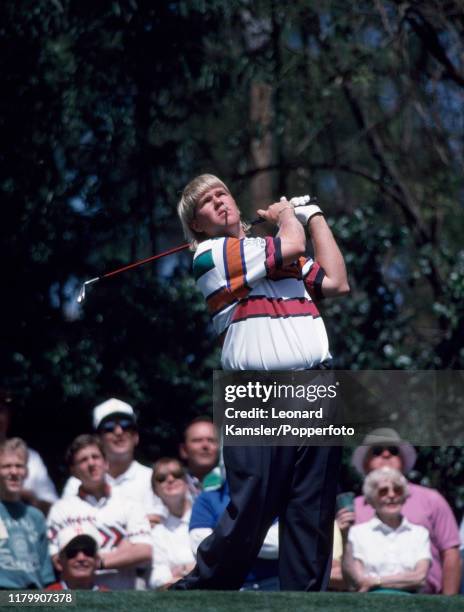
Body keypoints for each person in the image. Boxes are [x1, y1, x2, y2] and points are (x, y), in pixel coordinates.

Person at [173, 174, 349, 591]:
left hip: (314, 386)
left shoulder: (265, 251)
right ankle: (201, 589)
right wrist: (288, 215)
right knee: (252, 504)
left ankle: (303, 601)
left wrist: (314, 215)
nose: (218, 201)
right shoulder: (211, 255)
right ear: (197, 224)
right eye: (206, 202)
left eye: (222, 193)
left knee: (311, 509)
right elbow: (291, 244)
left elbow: (337, 281)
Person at [346, 428, 461, 594]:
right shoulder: (352, 507)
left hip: (426, 600)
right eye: (377, 451)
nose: (386, 455)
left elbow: (450, 553)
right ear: (365, 463)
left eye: (393, 450)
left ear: (403, 460)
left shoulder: (432, 499)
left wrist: (448, 604)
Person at [47, 434, 152, 590]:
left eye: (95, 457)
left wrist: (96, 562)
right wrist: (121, 552)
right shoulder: (60, 510)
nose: (91, 463)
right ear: (73, 470)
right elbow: (56, 558)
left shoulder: (129, 504)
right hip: (78, 599)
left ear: (106, 463)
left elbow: (144, 551)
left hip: (122, 596)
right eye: (83, 460)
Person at [62, 398, 165, 524]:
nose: (119, 432)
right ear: (98, 439)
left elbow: (161, 524)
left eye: (126, 426)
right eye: (109, 427)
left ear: (136, 437)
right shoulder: (75, 483)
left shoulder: (154, 479)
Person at [342, 467, 431, 593]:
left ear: (404, 497)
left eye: (398, 490)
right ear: (371, 500)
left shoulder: (420, 533)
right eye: (383, 491)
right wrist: (344, 536)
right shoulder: (357, 533)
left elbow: (420, 578)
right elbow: (357, 581)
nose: (391, 495)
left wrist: (375, 581)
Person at [189, 480, 279, 591]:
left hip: (274, 583)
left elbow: (278, 544)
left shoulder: (279, 495)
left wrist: (224, 537)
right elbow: (201, 546)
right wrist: (254, 538)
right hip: (228, 588)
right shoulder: (207, 499)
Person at [0, 438, 55, 589]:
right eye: (6, 466)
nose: (14, 472)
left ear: (26, 472)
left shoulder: (36, 517)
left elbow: (46, 575)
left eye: (19, 466)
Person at [0, 389, 58, 515]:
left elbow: (54, 508)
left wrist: (28, 498)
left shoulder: (31, 458)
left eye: (1, 411)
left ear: (8, 416)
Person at [148, 458, 195, 589]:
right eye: (161, 478)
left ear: (186, 482)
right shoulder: (157, 532)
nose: (170, 479)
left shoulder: (207, 516)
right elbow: (158, 579)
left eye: (177, 474)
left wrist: (182, 571)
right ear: (155, 490)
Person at [46, 524, 109, 591]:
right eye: (72, 552)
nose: (81, 558)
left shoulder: (110, 598)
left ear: (97, 560)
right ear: (59, 563)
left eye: (88, 551)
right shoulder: (45, 598)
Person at [179, 417, 221, 496]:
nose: (205, 445)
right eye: (197, 440)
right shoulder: (170, 485)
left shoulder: (235, 485)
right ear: (184, 450)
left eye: (211, 440)